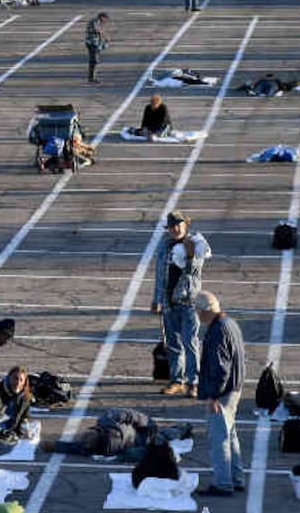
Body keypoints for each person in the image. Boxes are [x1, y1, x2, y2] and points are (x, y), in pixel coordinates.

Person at [152, 211, 210, 397]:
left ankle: (194, 383)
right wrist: (156, 299)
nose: (175, 229)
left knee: (190, 343)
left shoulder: (194, 244)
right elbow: (159, 275)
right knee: (173, 344)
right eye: (172, 226)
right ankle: (177, 381)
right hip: (169, 303)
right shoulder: (165, 247)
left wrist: (191, 256)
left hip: (188, 303)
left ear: (186, 226)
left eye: (179, 225)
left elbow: (195, 273)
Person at [195, 291, 246, 497]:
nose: (197, 315)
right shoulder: (230, 323)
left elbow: (221, 368)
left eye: (198, 311)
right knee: (230, 434)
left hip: (222, 392)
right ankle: (236, 478)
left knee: (219, 439)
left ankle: (223, 483)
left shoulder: (217, 331)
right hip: (234, 388)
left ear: (204, 310)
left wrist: (214, 396)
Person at [41, 408, 191, 459]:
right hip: (138, 446)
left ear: (96, 430)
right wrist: (54, 446)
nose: (86, 441)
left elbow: (132, 415)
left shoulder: (108, 419)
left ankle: (184, 428)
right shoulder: (95, 448)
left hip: (143, 432)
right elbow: (73, 448)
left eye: (87, 437)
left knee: (170, 434)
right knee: (159, 447)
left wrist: (148, 424)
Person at [84, 12, 110, 83]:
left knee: (94, 61)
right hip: (92, 43)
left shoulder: (98, 22)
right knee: (94, 61)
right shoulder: (95, 21)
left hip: (95, 43)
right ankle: (92, 78)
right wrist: (105, 36)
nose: (105, 21)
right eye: (105, 19)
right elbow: (96, 30)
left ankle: (91, 77)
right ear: (102, 17)